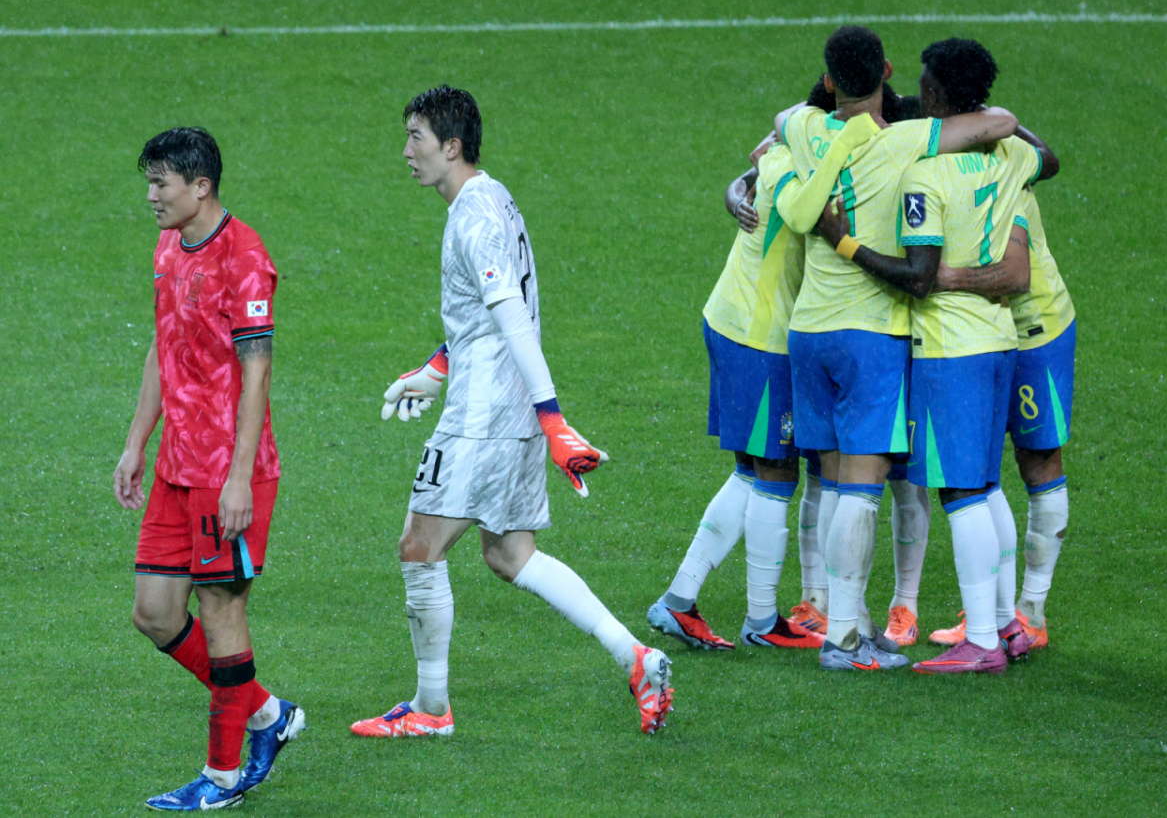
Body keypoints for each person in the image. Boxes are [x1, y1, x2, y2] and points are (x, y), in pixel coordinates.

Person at [350, 85, 673, 737]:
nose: (405, 151)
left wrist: (554, 419)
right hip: (505, 406)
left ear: (451, 146)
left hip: (489, 413)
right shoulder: (491, 196)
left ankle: (431, 710)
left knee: (419, 548)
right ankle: (635, 658)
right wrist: (436, 371)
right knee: (510, 554)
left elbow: (515, 321)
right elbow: (483, 316)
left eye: (416, 138)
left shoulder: (472, 216)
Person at [774, 25, 1021, 671]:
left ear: (828, 80)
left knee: (828, 483)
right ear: (886, 72)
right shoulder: (909, 139)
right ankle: (846, 640)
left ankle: (837, 619)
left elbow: (781, 119)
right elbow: (998, 123)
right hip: (870, 337)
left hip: (808, 332)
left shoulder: (804, 127)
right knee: (861, 488)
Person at [114, 127, 303, 811]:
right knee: (155, 611)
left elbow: (257, 376)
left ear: (200, 186)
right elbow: (162, 349)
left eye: (161, 183)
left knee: (221, 611)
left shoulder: (244, 257)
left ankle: (222, 778)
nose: (150, 195)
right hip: (175, 467)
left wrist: (237, 479)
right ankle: (268, 715)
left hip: (228, 470)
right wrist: (138, 442)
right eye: (150, 181)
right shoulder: (169, 246)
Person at [647, 111, 876, 650]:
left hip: (736, 321)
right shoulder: (799, 168)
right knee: (776, 472)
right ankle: (761, 620)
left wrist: (740, 184)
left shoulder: (782, 154)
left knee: (751, 471)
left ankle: (679, 601)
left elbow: (761, 163)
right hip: (761, 334)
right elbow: (799, 213)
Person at [928, 184, 1073, 650]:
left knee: (1038, 459)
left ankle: (1031, 612)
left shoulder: (1009, 160)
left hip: (1034, 329)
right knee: (979, 472)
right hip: (987, 334)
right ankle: (994, 616)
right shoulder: (970, 155)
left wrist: (946, 278)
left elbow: (1017, 275)